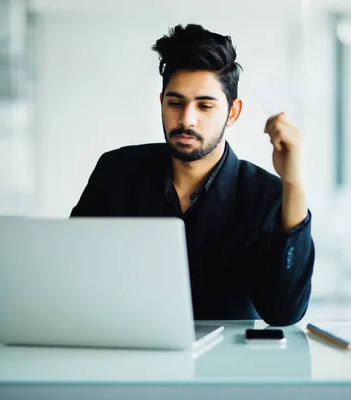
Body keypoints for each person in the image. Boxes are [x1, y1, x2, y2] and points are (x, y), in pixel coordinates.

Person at [70, 24, 314, 326]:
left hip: (225, 367)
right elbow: (73, 274)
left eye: (205, 105)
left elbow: (284, 312)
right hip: (127, 353)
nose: (187, 119)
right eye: (175, 103)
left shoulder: (265, 196)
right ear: (161, 102)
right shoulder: (116, 172)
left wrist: (294, 183)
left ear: (233, 112)